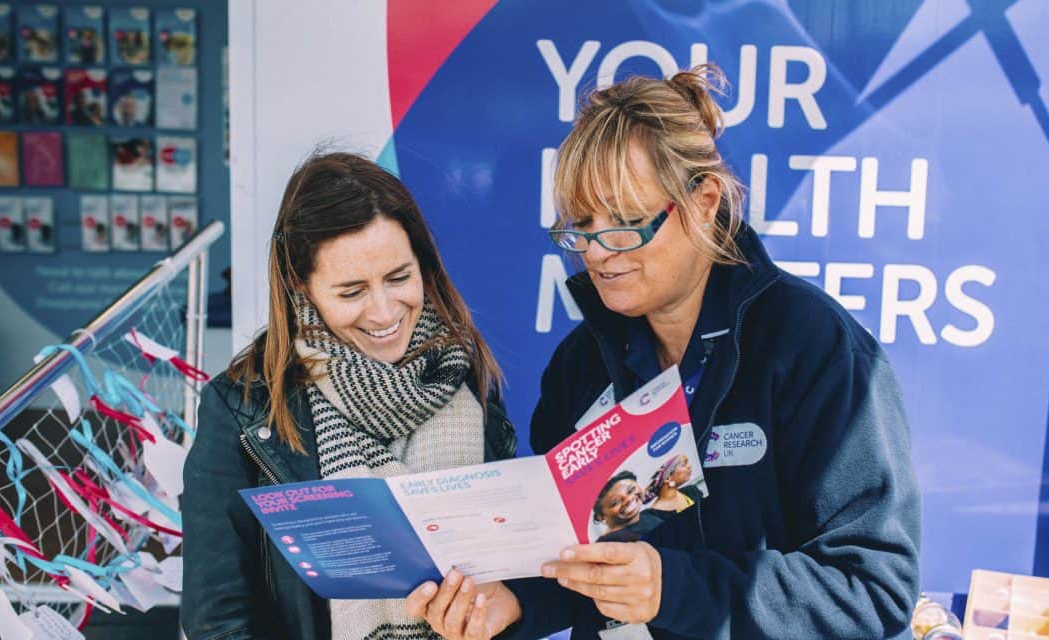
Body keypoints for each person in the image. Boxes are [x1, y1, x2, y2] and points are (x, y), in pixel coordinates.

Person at [409, 64, 921, 639]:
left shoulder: (812, 347)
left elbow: (873, 587)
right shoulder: (581, 365)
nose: (599, 252)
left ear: (702, 201)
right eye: (582, 223)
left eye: (628, 221)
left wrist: (673, 588)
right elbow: (576, 562)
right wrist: (517, 604)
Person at [181, 152, 519, 640]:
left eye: (400, 278)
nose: (384, 312)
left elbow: (502, 588)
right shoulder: (242, 410)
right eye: (351, 292)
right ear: (303, 287)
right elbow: (217, 621)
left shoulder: (464, 378)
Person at [592, 471, 662, 543]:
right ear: (601, 516)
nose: (628, 499)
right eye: (616, 502)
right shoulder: (609, 544)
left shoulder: (648, 516)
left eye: (631, 490)